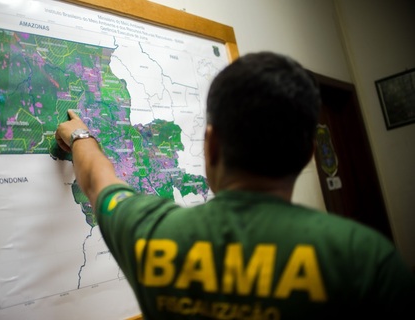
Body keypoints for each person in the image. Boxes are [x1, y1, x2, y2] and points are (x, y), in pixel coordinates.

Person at [55, 51, 415, 319]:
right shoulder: (366, 259)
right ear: (308, 155)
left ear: (210, 145)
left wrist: (80, 134)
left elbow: (97, 179)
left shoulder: (152, 234)